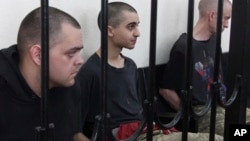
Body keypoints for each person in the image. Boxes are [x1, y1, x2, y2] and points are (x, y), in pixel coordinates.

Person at [0, 7, 89, 141]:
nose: (80, 61)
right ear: (38, 55)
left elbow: (73, 133)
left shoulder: (69, 84)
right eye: (71, 53)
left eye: (79, 52)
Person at [159, 0, 232, 136]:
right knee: (238, 134)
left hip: (224, 105)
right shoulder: (184, 47)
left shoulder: (214, 42)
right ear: (212, 15)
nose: (227, 25)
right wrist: (191, 115)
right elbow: (166, 90)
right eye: (226, 18)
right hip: (204, 112)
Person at [77, 2, 144, 140]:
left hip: (142, 130)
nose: (137, 33)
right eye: (131, 26)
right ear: (110, 31)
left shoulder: (131, 66)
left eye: (137, 25)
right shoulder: (91, 71)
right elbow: (75, 128)